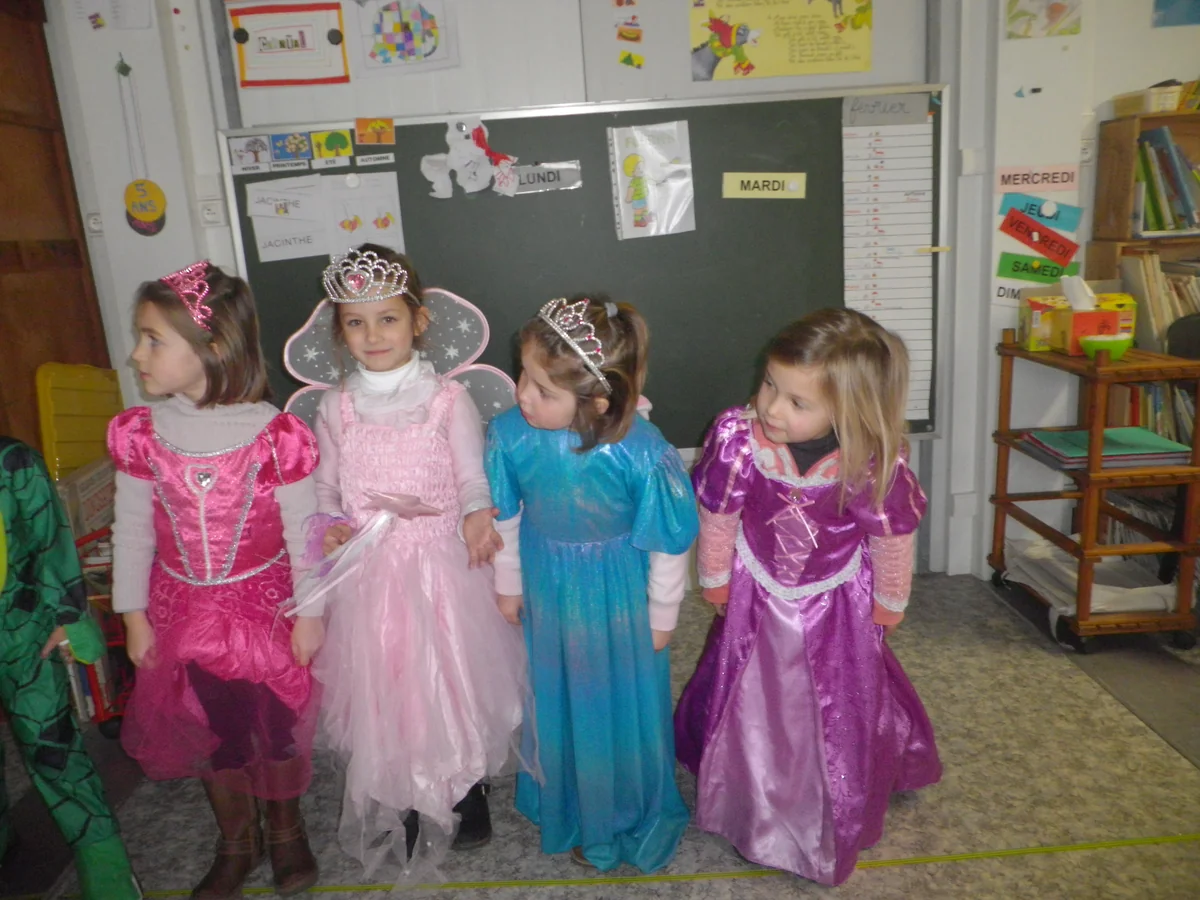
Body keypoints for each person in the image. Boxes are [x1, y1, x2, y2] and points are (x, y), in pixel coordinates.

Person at [674, 308, 942, 885]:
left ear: (849, 411)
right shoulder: (739, 441)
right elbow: (719, 514)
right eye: (770, 384)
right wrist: (715, 577)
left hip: (835, 604)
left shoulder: (871, 461)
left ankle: (828, 798)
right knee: (749, 692)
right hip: (757, 593)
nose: (772, 408)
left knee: (835, 703)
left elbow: (891, 538)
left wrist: (890, 600)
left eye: (797, 402)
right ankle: (748, 787)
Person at [304, 245, 527, 875]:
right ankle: (401, 787)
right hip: (370, 574)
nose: (373, 335)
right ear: (340, 330)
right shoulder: (335, 407)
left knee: (449, 678)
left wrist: (477, 515)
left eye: (388, 319)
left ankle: (463, 784)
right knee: (388, 683)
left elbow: (471, 478)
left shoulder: (447, 399)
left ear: (418, 320)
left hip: (437, 567)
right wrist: (330, 525)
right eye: (356, 322)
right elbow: (325, 488)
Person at [108, 261, 323, 898]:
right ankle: (237, 841)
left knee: (274, 723)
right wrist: (132, 615)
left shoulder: (277, 436)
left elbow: (305, 532)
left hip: (265, 608)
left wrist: (311, 612)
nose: (136, 353)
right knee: (213, 724)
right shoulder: (141, 435)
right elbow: (133, 530)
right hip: (183, 611)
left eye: (152, 339)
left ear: (212, 347)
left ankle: (285, 830)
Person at [485, 295, 698, 872]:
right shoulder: (510, 434)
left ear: (598, 401)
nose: (523, 395)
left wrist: (662, 616)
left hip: (617, 594)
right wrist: (509, 583)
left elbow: (668, 540)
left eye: (543, 390)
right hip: (549, 584)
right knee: (555, 688)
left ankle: (618, 808)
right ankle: (565, 795)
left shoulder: (642, 451)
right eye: (523, 376)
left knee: (615, 698)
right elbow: (506, 514)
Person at [0, 438, 142, 899]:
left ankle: (107, 866)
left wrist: (69, 614)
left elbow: (49, 537)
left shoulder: (11, 461)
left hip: (20, 629)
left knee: (51, 746)